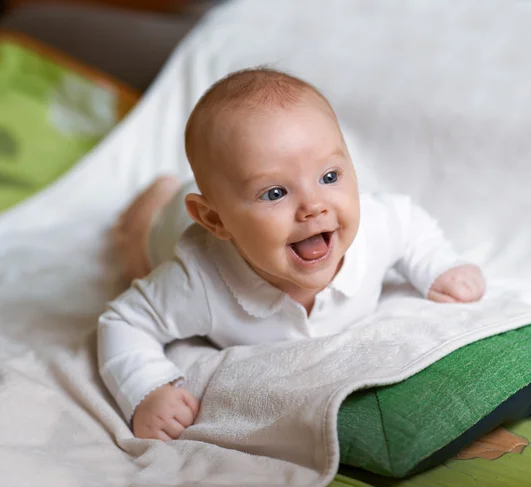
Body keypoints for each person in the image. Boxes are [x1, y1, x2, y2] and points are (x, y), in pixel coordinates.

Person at [98, 68, 486, 442]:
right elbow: (122, 322)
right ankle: (153, 197)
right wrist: (147, 388)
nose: (313, 206)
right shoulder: (196, 279)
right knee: (137, 251)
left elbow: (409, 224)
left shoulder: (375, 229)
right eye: (275, 193)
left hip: (221, 197)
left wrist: (439, 266)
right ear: (214, 219)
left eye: (329, 177)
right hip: (166, 226)